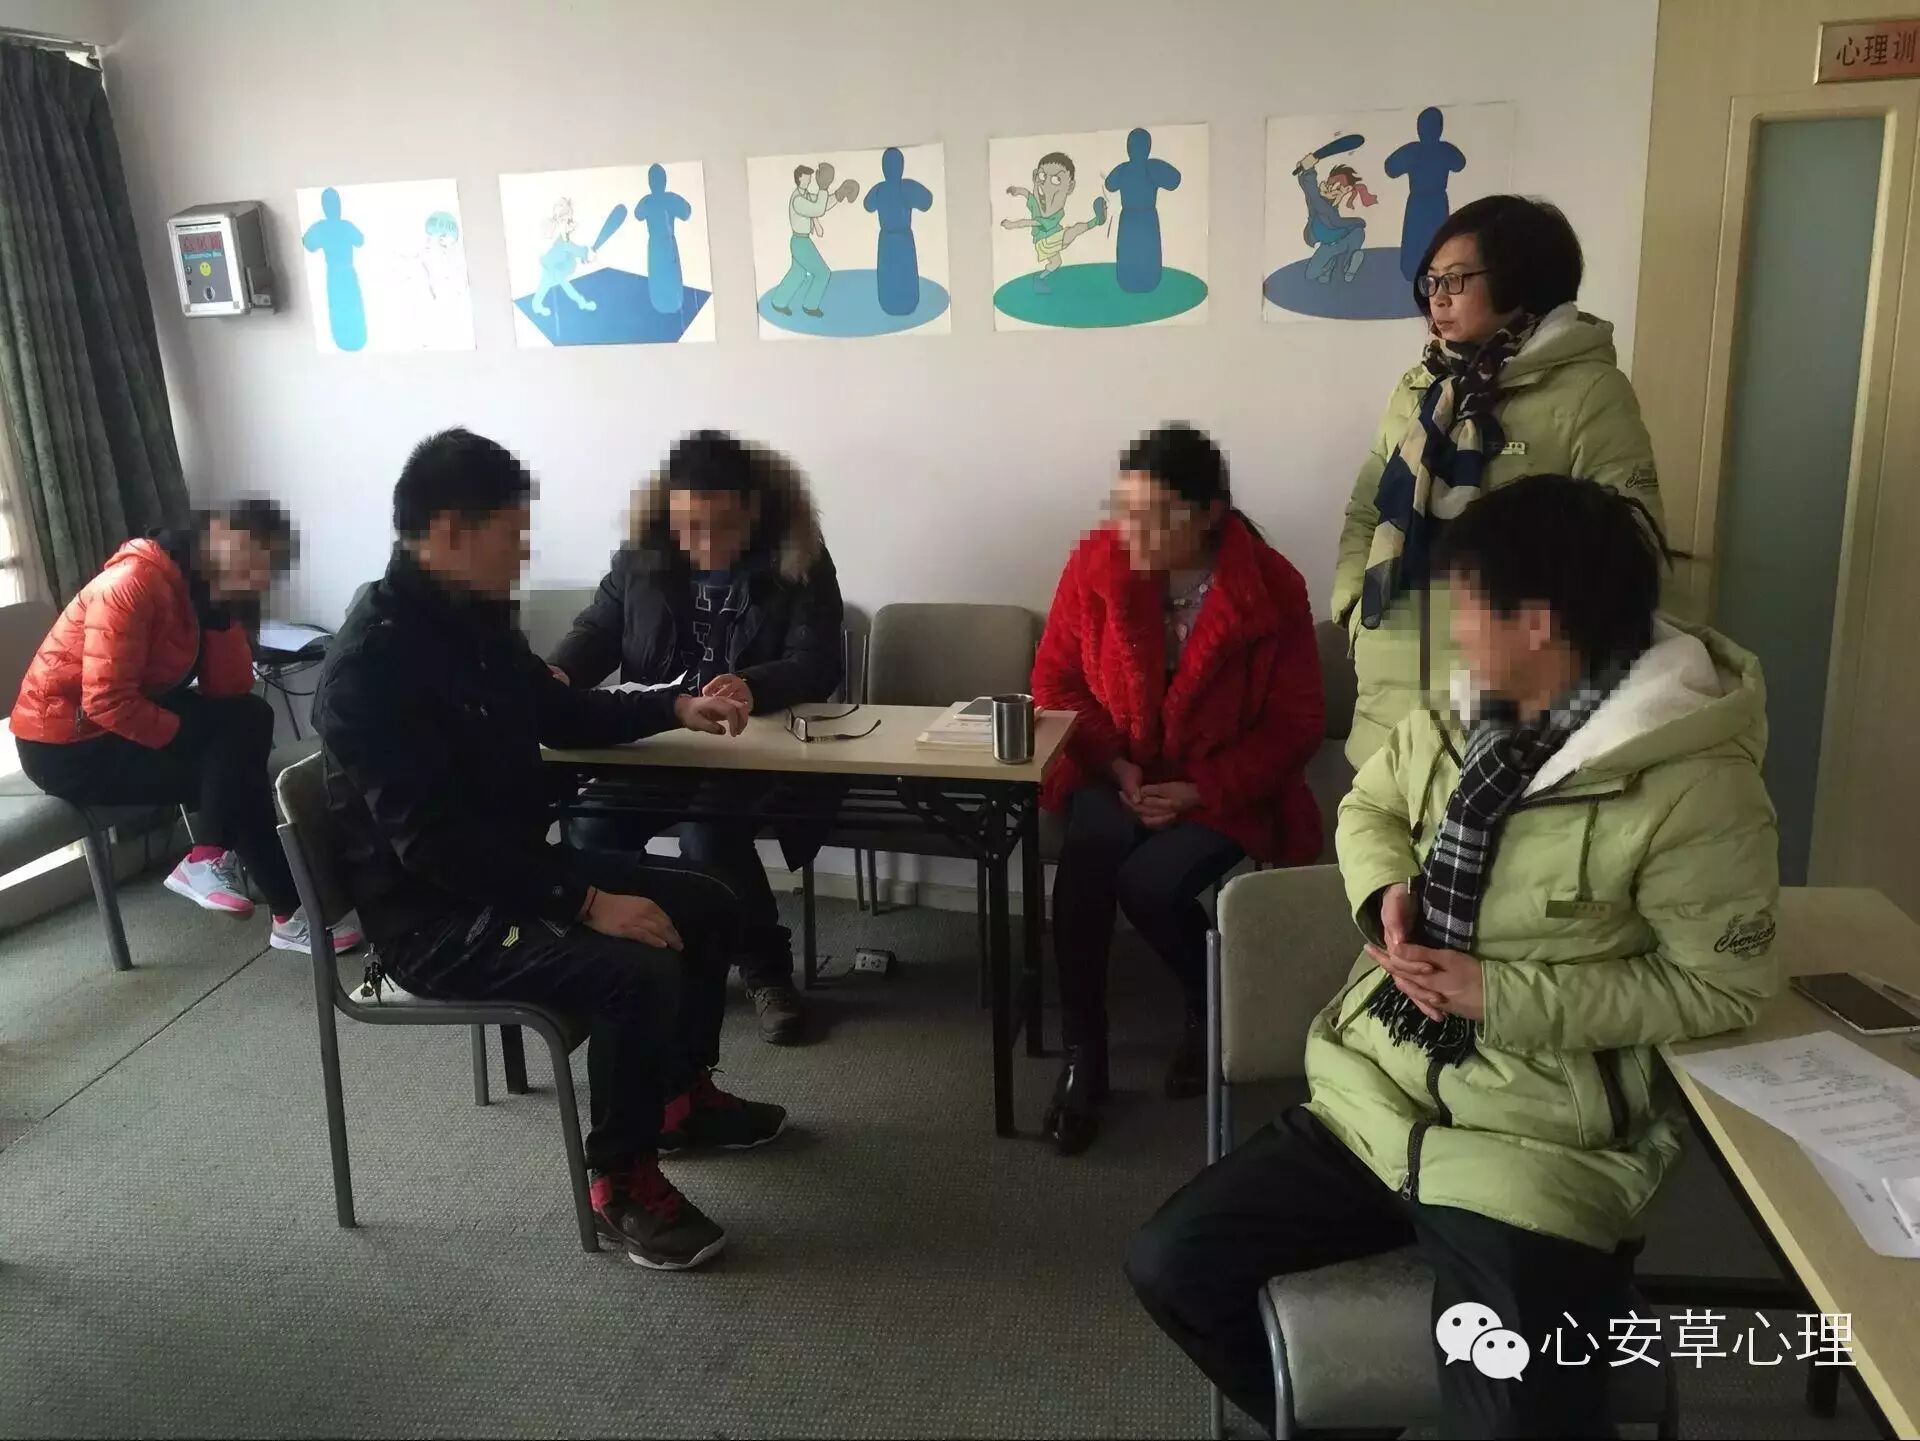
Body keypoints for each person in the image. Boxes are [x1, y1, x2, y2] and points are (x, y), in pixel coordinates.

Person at [1127, 474, 1780, 1438]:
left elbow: (1718, 987)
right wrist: (1385, 887)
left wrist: (1498, 994)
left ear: (1539, 625)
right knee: (1172, 1264)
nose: (1456, 629)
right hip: (1376, 1095)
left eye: (1470, 606)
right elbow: (1370, 805)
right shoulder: (1464, 713)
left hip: (1533, 1141)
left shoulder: (1693, 787)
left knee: (1517, 1417)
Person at [313, 428, 786, 1271]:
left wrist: (672, 705)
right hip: (433, 921)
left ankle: (677, 1103)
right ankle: (621, 1182)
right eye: (513, 534)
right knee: (637, 966)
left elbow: (558, 711)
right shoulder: (370, 666)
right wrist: (587, 903)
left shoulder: (473, 619)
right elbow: (433, 847)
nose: (524, 552)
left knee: (709, 903)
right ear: (450, 532)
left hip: (509, 873)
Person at [1031, 424, 1323, 1156]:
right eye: (1123, 508)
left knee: (1152, 885)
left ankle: (1207, 1004)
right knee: (1088, 864)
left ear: (1209, 514)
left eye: (1154, 514)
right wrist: (1114, 764)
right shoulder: (1095, 562)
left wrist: (1199, 790)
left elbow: (1295, 726)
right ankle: (1085, 1055)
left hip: (1221, 784)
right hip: (1115, 769)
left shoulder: (1271, 588)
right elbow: (1055, 682)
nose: (1131, 529)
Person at [1331, 194, 1662, 769]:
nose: (1437, 298)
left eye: (1456, 280)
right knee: (1373, 822)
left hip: (1510, 696)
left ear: (1523, 280)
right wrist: (1354, 609)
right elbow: (1367, 509)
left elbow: (1628, 551)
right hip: (1389, 681)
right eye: (1431, 281)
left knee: (1477, 824)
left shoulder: (1587, 392)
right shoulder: (1421, 387)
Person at [549, 430, 843, 1046]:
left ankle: (764, 967)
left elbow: (817, 663)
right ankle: (642, 954)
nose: (700, 544)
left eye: (719, 527)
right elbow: (597, 631)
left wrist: (753, 685)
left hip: (753, 746)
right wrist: (561, 673)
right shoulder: (642, 557)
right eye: (687, 527)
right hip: (660, 739)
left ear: (755, 511)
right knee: (593, 823)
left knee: (710, 833)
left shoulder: (798, 560)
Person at [10, 501, 361, 956]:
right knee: (233, 764)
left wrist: (223, 616)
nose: (255, 573)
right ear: (213, 538)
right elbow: (104, 700)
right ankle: (280, 906)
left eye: (266, 566)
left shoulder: (199, 591)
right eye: (248, 553)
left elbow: (229, 692)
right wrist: (190, 742)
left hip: (117, 723)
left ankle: (222, 866)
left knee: (247, 728)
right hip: (64, 746)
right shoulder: (131, 583)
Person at [1001, 153, 1107, 294]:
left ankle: (1040, 279)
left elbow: (1026, 193)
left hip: (1052, 238)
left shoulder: (1046, 206)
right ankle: (1097, 220)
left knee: (1056, 263)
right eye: (1042, 176)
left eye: (1056, 179)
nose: (1047, 185)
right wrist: (1011, 224)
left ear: (1070, 187)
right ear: (1035, 176)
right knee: (1074, 230)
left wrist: (1017, 191)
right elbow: (1027, 220)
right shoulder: (1039, 209)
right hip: (1045, 241)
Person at [769, 162, 857, 319]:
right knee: (823, 273)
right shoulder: (797, 200)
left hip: (801, 240)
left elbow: (822, 204)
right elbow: (817, 209)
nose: (810, 179)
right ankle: (810, 306)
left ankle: (779, 302)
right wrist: (823, 187)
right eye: (807, 177)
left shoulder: (806, 196)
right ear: (799, 178)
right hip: (800, 242)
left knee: (798, 273)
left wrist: (839, 194)